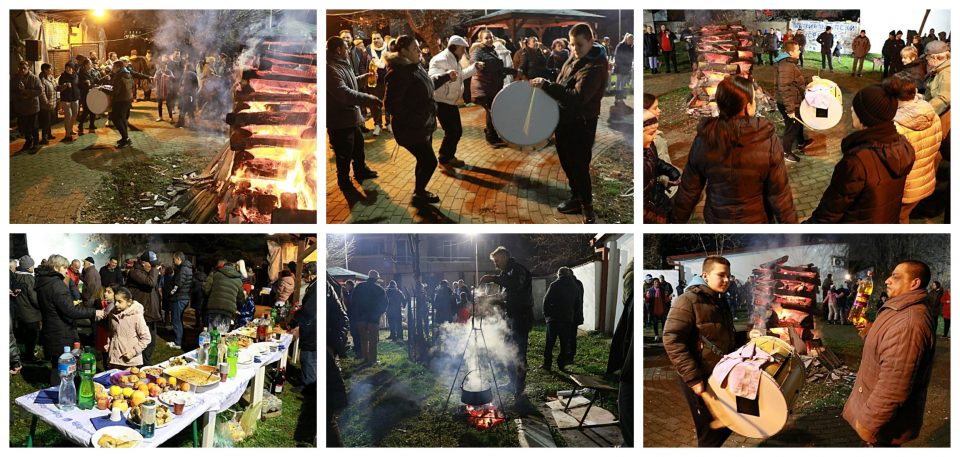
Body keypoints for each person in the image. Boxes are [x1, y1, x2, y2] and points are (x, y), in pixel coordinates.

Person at [671, 75, 797, 223]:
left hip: (717, 220)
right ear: (747, 106)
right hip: (756, 220)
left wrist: (675, 223)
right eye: (753, 99)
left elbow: (689, 190)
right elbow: (779, 194)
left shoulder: (705, 137)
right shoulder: (767, 139)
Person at [843, 260, 936, 446]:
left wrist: (868, 424)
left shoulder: (910, 322)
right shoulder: (899, 309)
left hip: (882, 427)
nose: (887, 280)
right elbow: (888, 347)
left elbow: (894, 385)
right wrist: (869, 330)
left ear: (914, 284)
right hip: (879, 422)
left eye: (895, 276)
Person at [530, 23, 610, 224]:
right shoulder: (574, 58)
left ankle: (587, 209)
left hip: (581, 123)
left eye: (579, 45)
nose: (574, 49)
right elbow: (563, 81)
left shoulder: (595, 66)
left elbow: (577, 97)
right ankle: (576, 198)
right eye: (572, 45)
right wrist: (547, 82)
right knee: (567, 162)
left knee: (579, 166)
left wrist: (548, 86)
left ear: (591, 41)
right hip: (565, 120)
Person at [809, 78, 916, 223]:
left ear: (866, 116)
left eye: (855, 108)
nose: (852, 110)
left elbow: (830, 212)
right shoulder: (902, 145)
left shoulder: (857, 161)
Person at [663, 256, 744, 447]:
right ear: (705, 275)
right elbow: (671, 338)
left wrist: (748, 337)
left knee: (725, 426)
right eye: (721, 275)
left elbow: (719, 336)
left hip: (717, 375)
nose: (726, 280)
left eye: (729, 276)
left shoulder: (718, 300)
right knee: (709, 436)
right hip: (699, 376)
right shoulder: (687, 301)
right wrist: (693, 378)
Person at [385, 35, 455, 204]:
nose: (419, 51)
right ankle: (419, 194)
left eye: (418, 47)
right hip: (411, 129)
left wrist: (445, 76)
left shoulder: (414, 67)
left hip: (423, 126)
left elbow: (427, 85)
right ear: (403, 52)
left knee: (423, 160)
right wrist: (416, 119)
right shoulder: (398, 73)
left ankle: (419, 191)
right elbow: (391, 106)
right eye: (415, 49)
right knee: (430, 161)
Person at [36, 254, 106, 385]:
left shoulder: (44, 281)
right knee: (63, 365)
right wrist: (93, 312)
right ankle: (61, 391)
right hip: (60, 330)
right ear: (56, 268)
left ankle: (58, 389)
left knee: (56, 364)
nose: (66, 270)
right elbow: (70, 311)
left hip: (51, 327)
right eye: (64, 267)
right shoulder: (57, 285)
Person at [327, 36, 383, 189]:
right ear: (339, 50)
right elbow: (344, 93)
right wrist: (369, 98)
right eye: (346, 47)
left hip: (351, 118)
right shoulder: (330, 68)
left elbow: (352, 82)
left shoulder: (342, 64)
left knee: (358, 147)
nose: (348, 50)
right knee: (344, 154)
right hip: (339, 120)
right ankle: (344, 181)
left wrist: (365, 77)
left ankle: (361, 170)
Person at [480, 247, 533, 399]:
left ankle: (519, 387)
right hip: (509, 318)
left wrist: (493, 278)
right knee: (508, 350)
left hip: (521, 317)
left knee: (518, 353)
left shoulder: (518, 270)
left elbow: (516, 285)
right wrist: (489, 299)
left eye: (497, 261)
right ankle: (511, 382)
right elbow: (505, 296)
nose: (495, 265)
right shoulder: (506, 273)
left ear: (504, 257)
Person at [892, 75, 942, 223]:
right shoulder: (932, 114)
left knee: (898, 219)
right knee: (903, 216)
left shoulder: (898, 126)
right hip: (923, 182)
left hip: (905, 187)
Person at [429, 35, 482, 169]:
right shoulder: (440, 59)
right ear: (456, 48)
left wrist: (474, 67)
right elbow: (432, 79)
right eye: (462, 49)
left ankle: (449, 156)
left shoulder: (454, 60)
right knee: (452, 131)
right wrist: (446, 76)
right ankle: (444, 159)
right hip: (441, 101)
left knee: (456, 131)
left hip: (450, 101)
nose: (464, 52)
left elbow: (460, 76)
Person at [471, 29, 518, 146]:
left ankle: (490, 135)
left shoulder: (492, 50)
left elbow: (498, 68)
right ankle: (491, 138)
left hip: (492, 87)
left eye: (491, 37)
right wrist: (477, 64)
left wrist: (514, 71)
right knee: (493, 111)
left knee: (491, 112)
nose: (489, 39)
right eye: (486, 38)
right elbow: (474, 61)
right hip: (483, 88)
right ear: (480, 40)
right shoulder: (478, 50)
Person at [291, 263, 317, 444]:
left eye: (307, 274)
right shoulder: (315, 287)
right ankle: (309, 386)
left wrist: (298, 314)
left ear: (311, 273)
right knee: (308, 358)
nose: (305, 277)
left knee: (308, 359)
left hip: (313, 331)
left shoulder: (317, 288)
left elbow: (310, 312)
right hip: (313, 330)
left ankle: (311, 392)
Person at [775, 40, 812, 163]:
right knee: (792, 128)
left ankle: (801, 142)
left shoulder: (790, 63)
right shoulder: (786, 66)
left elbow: (797, 81)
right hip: (789, 103)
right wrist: (790, 109)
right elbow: (784, 88)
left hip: (793, 101)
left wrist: (811, 79)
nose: (800, 51)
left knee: (799, 123)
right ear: (790, 52)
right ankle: (786, 152)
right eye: (797, 50)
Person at [541, 267, 583, 371]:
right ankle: (561, 364)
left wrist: (547, 316)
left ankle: (547, 364)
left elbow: (546, 301)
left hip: (553, 319)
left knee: (550, 343)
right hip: (567, 319)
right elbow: (578, 304)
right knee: (564, 344)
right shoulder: (575, 286)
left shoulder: (554, 285)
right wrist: (571, 314)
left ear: (558, 274)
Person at [643, 109, 680, 223]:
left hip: (658, 195)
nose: (654, 137)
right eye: (650, 133)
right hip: (650, 207)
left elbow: (655, 161)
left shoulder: (648, 146)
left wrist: (671, 172)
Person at [326, 273, 349, 447]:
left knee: (328, 416)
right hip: (327, 352)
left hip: (328, 353)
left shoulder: (328, 287)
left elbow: (342, 319)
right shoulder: (328, 287)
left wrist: (334, 347)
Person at [104, 287, 151, 369]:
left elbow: (146, 338)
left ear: (129, 302)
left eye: (119, 301)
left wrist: (132, 353)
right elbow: (112, 332)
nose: (116, 304)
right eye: (115, 301)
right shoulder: (112, 315)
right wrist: (109, 344)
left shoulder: (136, 316)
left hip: (129, 362)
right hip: (114, 360)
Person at [127, 251, 161, 364]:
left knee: (152, 342)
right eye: (152, 264)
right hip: (142, 314)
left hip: (151, 314)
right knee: (143, 341)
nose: (153, 267)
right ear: (143, 263)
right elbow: (150, 283)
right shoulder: (134, 273)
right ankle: (142, 364)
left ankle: (145, 363)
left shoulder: (148, 272)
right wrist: (155, 270)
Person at [105, 60, 145, 148]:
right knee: (123, 119)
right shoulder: (128, 74)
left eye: (114, 67)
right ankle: (125, 138)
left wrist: (103, 89)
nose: (112, 69)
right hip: (127, 99)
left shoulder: (119, 76)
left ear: (118, 68)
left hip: (120, 101)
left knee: (116, 119)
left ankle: (125, 138)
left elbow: (115, 92)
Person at [351, 270, 387, 365]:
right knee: (373, 340)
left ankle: (365, 357)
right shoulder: (379, 289)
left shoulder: (359, 287)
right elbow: (385, 304)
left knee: (363, 339)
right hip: (373, 319)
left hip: (361, 318)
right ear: (376, 278)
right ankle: (372, 360)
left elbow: (353, 301)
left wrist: (357, 314)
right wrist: (378, 314)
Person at [12, 256, 41, 363]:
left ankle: (22, 353)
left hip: (19, 311)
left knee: (23, 335)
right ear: (28, 267)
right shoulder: (29, 279)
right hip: (30, 313)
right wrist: (41, 306)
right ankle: (29, 356)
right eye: (32, 265)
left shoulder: (15, 276)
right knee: (32, 335)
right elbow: (34, 298)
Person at [203, 259, 245, 333]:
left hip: (214, 307)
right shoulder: (238, 280)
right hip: (228, 309)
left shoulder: (215, 274)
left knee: (212, 332)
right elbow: (241, 298)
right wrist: (239, 307)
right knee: (223, 334)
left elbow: (206, 289)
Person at [923, 40, 950, 146]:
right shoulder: (941, 69)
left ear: (934, 58)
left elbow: (944, 98)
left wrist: (922, 112)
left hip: (944, 121)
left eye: (927, 58)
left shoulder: (947, 72)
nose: (926, 61)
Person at [13, 60, 42, 153]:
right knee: (24, 127)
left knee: (33, 126)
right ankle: (28, 141)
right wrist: (19, 95)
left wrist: (26, 91)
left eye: (24, 68)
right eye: (20, 69)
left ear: (28, 68)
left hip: (32, 107)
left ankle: (36, 143)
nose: (22, 70)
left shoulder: (34, 78)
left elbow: (39, 91)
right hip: (21, 107)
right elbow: (11, 91)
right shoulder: (15, 78)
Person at [365, 33, 389, 136]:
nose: (375, 40)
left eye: (378, 38)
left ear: (382, 38)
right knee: (375, 105)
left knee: (389, 103)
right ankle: (377, 125)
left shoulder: (388, 47)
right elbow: (364, 64)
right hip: (374, 83)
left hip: (388, 81)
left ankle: (389, 124)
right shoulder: (368, 49)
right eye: (373, 38)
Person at [167, 252, 192, 349]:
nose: (173, 262)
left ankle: (178, 343)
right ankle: (181, 339)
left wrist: (171, 293)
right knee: (179, 320)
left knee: (176, 320)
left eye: (174, 259)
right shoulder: (188, 268)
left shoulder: (183, 269)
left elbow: (179, 284)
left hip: (179, 298)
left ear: (178, 258)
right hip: (184, 297)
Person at [77, 57, 101, 135]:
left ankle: (91, 124)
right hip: (85, 94)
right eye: (90, 64)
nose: (91, 65)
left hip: (91, 92)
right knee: (86, 110)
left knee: (93, 109)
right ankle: (80, 124)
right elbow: (79, 84)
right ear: (86, 65)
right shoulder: (81, 72)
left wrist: (103, 78)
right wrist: (85, 82)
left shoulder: (90, 71)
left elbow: (95, 80)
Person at [37, 63, 58, 145]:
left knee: (50, 121)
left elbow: (55, 87)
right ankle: (44, 137)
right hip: (46, 105)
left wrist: (63, 86)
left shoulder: (51, 77)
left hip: (52, 103)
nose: (51, 70)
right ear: (45, 70)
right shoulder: (42, 79)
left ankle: (49, 134)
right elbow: (42, 93)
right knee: (45, 121)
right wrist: (46, 102)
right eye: (50, 69)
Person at [176, 59, 199, 128]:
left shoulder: (186, 74)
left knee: (183, 110)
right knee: (190, 110)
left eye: (185, 67)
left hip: (186, 95)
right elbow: (196, 86)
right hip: (191, 95)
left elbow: (182, 85)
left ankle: (181, 123)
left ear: (187, 67)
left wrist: (181, 92)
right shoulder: (194, 74)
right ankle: (192, 124)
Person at [613, 33, 634, 100]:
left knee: (624, 81)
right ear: (626, 39)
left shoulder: (631, 47)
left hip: (627, 67)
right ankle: (617, 94)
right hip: (620, 66)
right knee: (618, 81)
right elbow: (617, 56)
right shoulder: (620, 46)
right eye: (630, 39)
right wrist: (619, 65)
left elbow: (631, 57)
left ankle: (621, 94)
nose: (631, 41)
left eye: (632, 39)